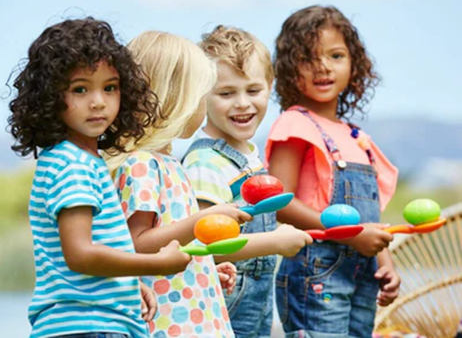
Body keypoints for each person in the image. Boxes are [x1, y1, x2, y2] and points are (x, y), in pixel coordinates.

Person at [8, 18, 192, 338]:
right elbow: (80, 254)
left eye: (110, 87)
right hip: (90, 326)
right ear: (51, 97)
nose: (98, 102)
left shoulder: (81, 161)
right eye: (80, 89)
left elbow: (97, 249)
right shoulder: (72, 165)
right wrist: (155, 265)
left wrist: (127, 285)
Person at [106, 31, 252, 338]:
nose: (203, 108)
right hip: (168, 324)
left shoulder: (170, 163)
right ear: (176, 101)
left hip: (193, 316)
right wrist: (200, 221)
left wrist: (204, 268)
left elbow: (170, 237)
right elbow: (137, 245)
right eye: (200, 97)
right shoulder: (142, 164)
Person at [266, 6, 401, 338]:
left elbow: (371, 216)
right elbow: (278, 201)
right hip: (316, 274)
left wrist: (386, 265)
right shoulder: (296, 124)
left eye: (336, 55)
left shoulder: (357, 137)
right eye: (308, 58)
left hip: (363, 276)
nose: (323, 67)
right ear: (288, 69)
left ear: (354, 64)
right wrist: (352, 234)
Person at [182, 25, 313, 338]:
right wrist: (274, 242)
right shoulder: (206, 163)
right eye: (227, 93)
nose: (242, 103)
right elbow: (206, 246)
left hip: (256, 301)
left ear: (270, 86)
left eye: (253, 90)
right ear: (202, 95)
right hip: (227, 304)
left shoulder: (250, 156)